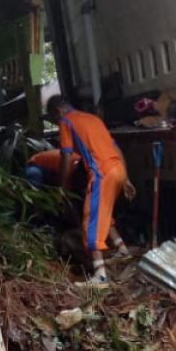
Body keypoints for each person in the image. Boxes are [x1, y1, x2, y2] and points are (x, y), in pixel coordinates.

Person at [45, 95, 136, 285]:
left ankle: (100, 276)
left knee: (91, 218)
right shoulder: (93, 119)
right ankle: (122, 250)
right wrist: (126, 178)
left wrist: (62, 187)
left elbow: (66, 157)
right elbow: (116, 148)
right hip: (118, 168)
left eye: (53, 119)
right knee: (103, 212)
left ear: (58, 111)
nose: (56, 122)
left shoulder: (66, 121)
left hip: (102, 173)